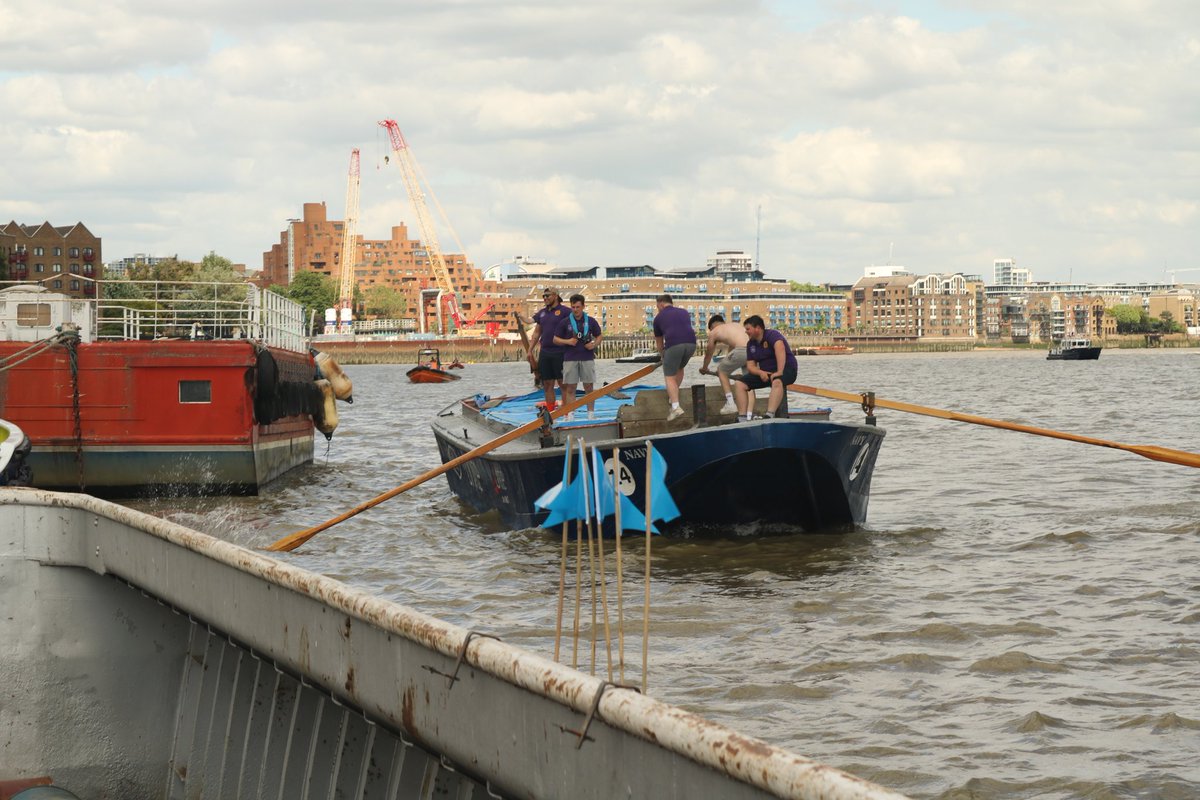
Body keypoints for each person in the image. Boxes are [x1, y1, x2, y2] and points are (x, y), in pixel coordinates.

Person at [733, 315, 797, 421]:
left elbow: (780, 348)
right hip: (766, 373)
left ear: (758, 328)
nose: (746, 332)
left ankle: (769, 415)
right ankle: (742, 417)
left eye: (748, 329)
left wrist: (779, 371)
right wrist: (760, 373)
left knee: (777, 381)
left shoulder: (772, 335)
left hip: (787, 369)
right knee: (739, 384)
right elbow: (750, 366)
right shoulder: (751, 344)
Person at [553, 294, 603, 418]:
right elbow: (555, 339)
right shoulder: (565, 322)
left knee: (589, 387)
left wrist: (594, 344)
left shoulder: (590, 321)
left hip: (587, 358)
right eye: (573, 307)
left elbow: (599, 336)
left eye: (578, 307)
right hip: (570, 358)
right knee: (570, 388)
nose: (575, 310)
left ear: (583, 306)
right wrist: (568, 341)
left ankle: (590, 414)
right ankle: (571, 414)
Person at [522, 287, 569, 410]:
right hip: (545, 352)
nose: (545, 298)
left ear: (555, 296)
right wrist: (530, 350)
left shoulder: (565, 311)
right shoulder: (542, 313)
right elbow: (536, 332)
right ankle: (550, 411)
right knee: (547, 384)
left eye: (548, 295)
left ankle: (566, 412)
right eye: (544, 296)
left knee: (563, 384)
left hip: (561, 352)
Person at [651, 294, 697, 422]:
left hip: (674, 344)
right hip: (692, 344)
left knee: (669, 375)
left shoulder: (658, 318)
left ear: (660, 304)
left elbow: (659, 343)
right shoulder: (684, 312)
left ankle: (676, 407)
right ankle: (673, 397)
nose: (657, 309)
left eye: (657, 306)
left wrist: (662, 356)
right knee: (680, 368)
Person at [698, 314, 749, 415]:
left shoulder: (714, 332)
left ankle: (730, 403)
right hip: (753, 350)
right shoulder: (734, 325)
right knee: (749, 382)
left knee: (721, 371)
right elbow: (731, 350)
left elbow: (709, 353)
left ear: (712, 326)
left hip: (741, 350)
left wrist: (704, 368)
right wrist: (725, 364)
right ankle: (748, 412)